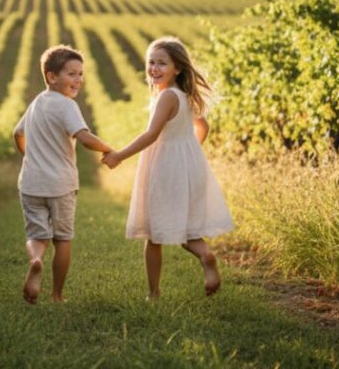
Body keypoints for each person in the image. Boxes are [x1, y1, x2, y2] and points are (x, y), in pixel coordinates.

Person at [102, 36, 234, 299]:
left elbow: (151, 135)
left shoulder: (166, 98)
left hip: (165, 168)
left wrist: (119, 155)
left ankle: (154, 293)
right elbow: (202, 126)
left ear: (178, 68)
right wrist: (188, 150)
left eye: (162, 63)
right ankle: (205, 255)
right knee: (184, 225)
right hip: (185, 164)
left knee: (154, 233)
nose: (154, 68)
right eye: (151, 62)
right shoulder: (183, 96)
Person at [14, 45, 113, 304]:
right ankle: (57, 295)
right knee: (63, 239)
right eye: (72, 74)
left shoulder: (36, 102)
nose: (78, 79)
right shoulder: (67, 105)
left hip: (31, 183)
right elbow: (84, 137)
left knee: (36, 235)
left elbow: (18, 133)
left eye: (80, 74)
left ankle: (36, 260)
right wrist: (108, 148)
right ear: (51, 76)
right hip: (61, 185)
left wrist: (30, 157)